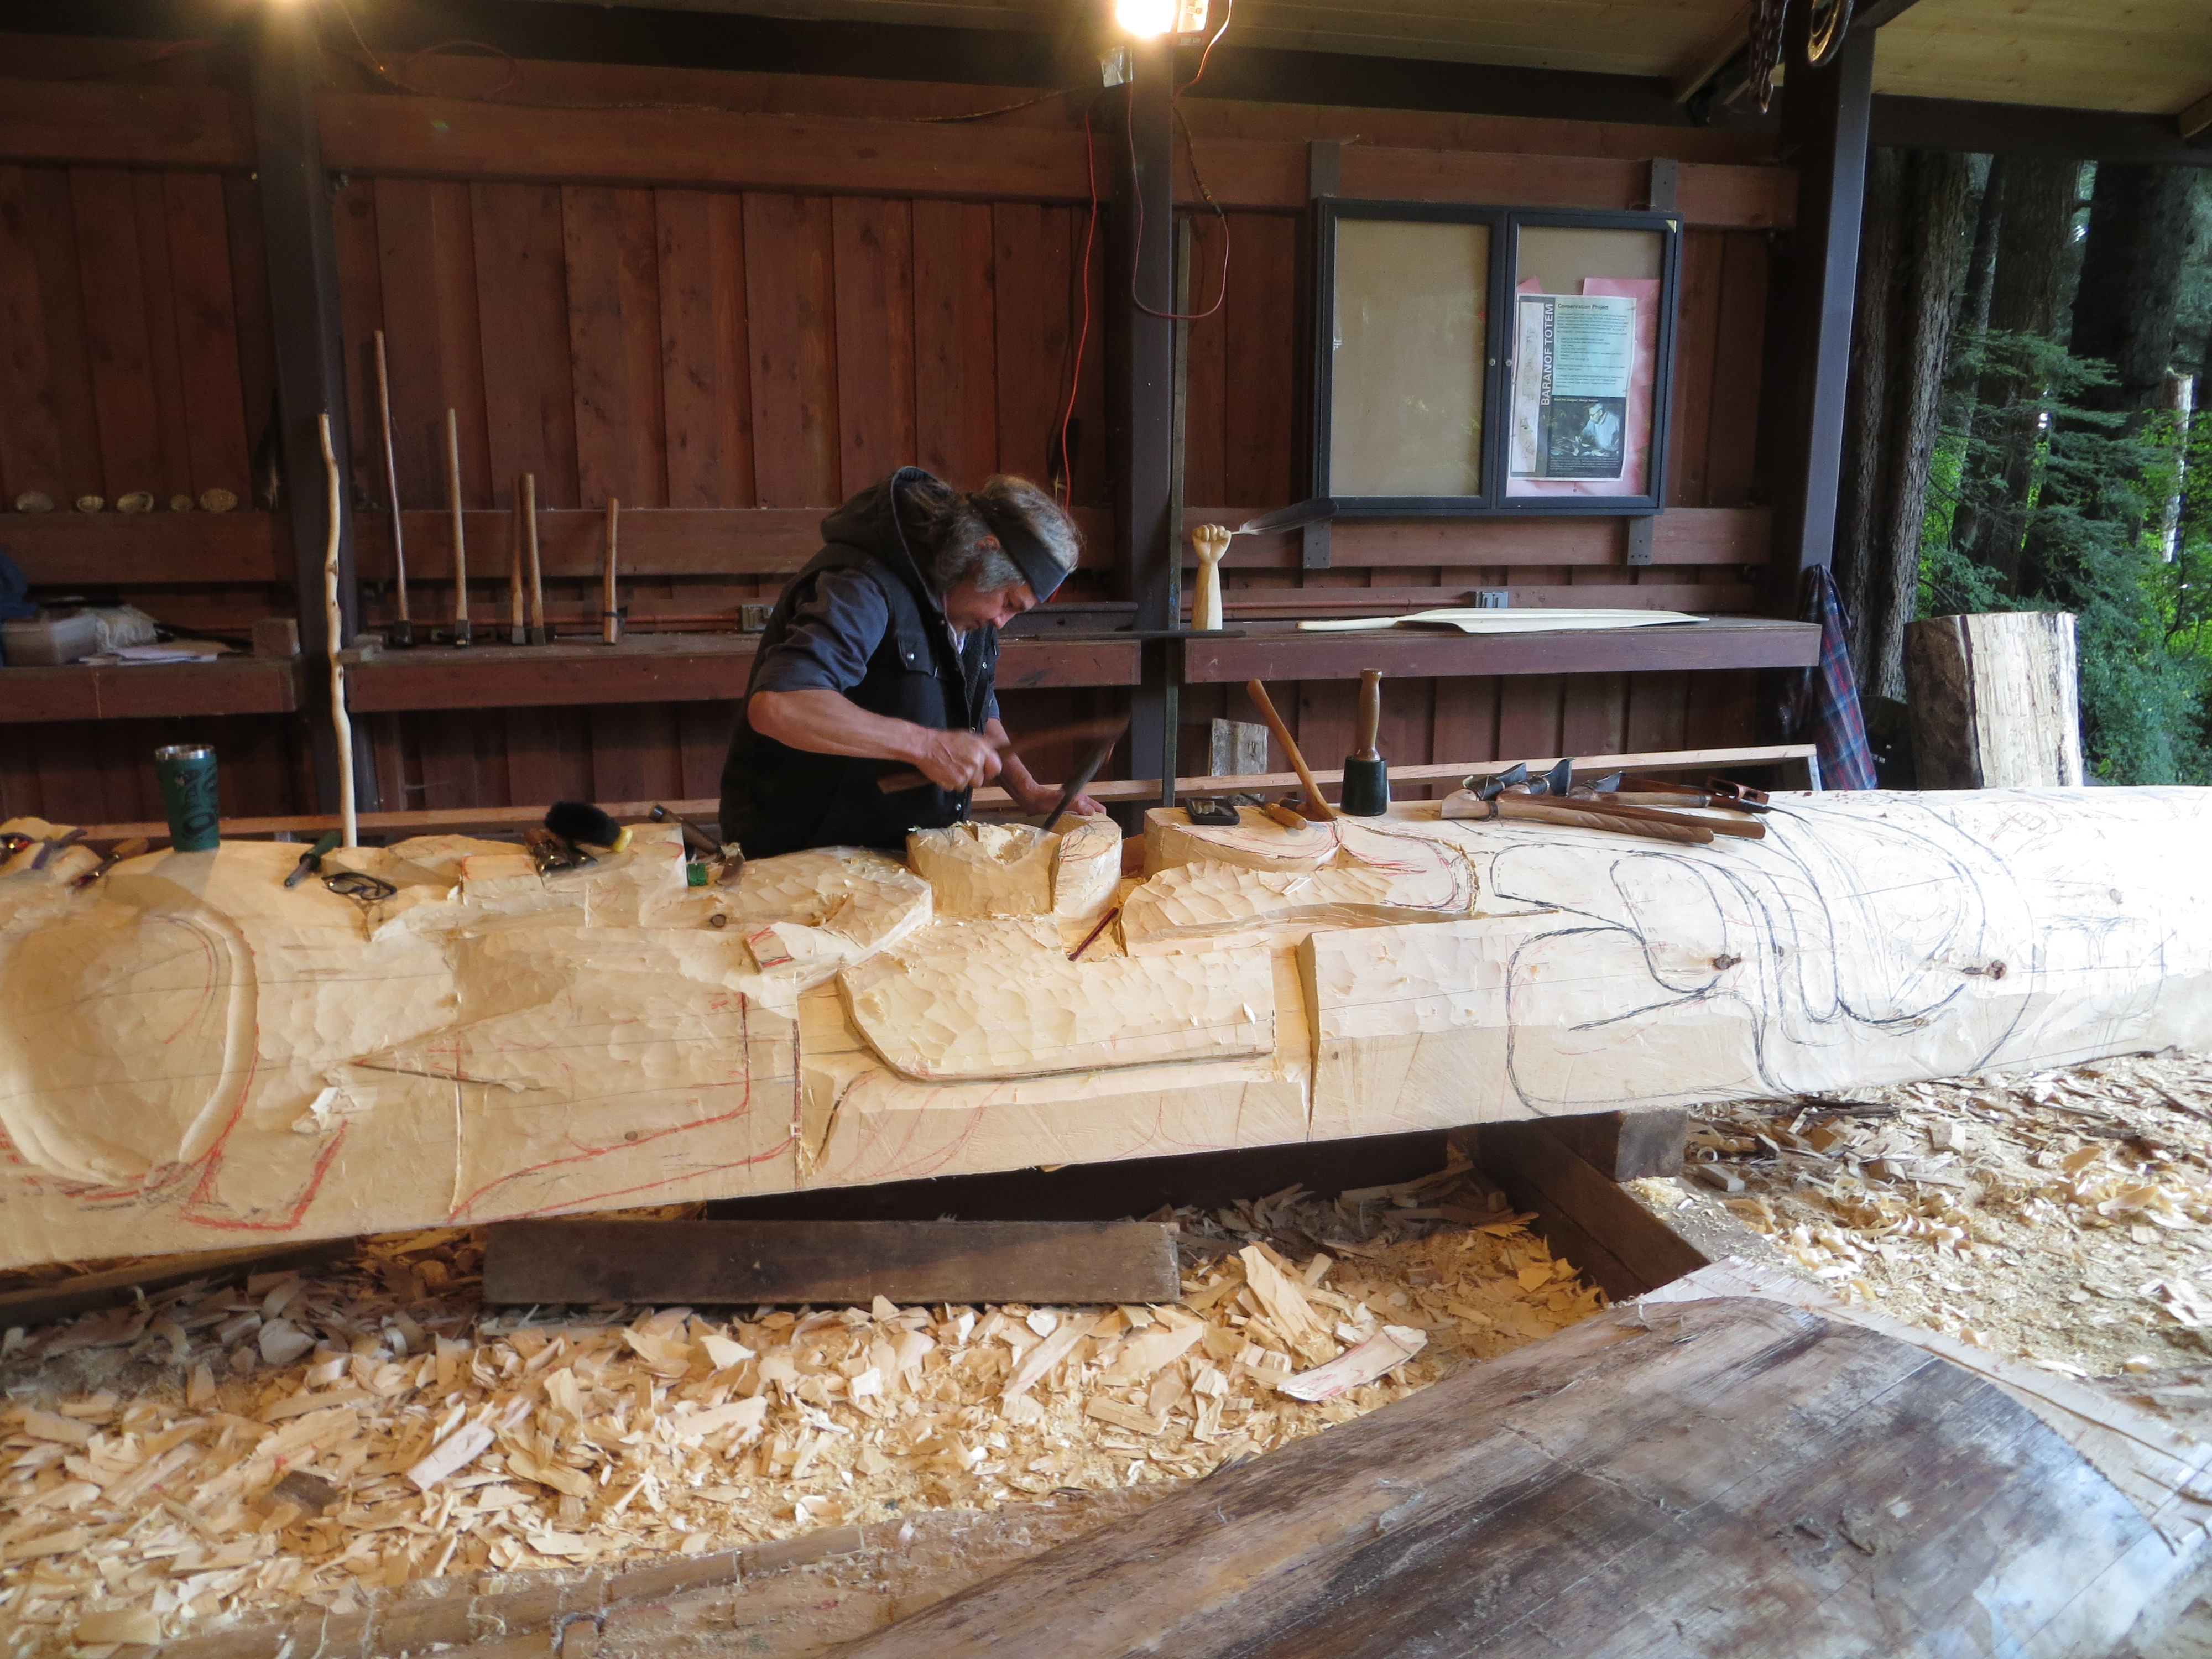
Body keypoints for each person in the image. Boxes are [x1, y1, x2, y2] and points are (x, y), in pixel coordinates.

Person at [718, 467, 1105, 860]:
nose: (1002, 621)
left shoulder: (969, 598)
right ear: (982, 552)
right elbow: (781, 705)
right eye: (1008, 603)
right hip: (803, 853)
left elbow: (977, 705)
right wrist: (925, 745)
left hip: (896, 854)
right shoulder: (861, 586)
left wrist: (1027, 789)